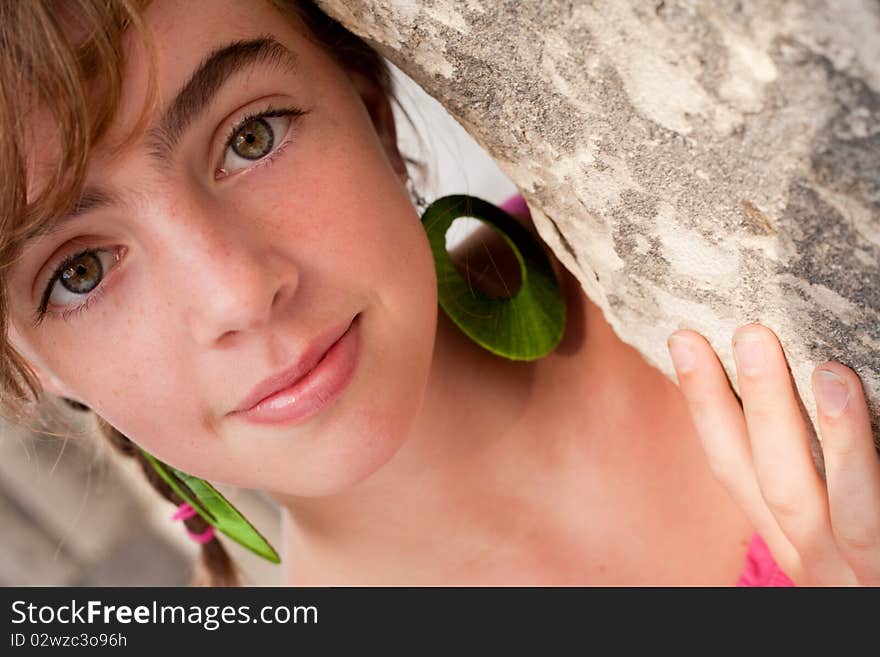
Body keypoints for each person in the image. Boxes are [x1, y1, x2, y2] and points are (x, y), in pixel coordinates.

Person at [1, 0, 877, 587]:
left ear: (368, 107)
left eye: (252, 135)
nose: (238, 291)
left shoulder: (710, 226)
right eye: (79, 271)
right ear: (31, 367)